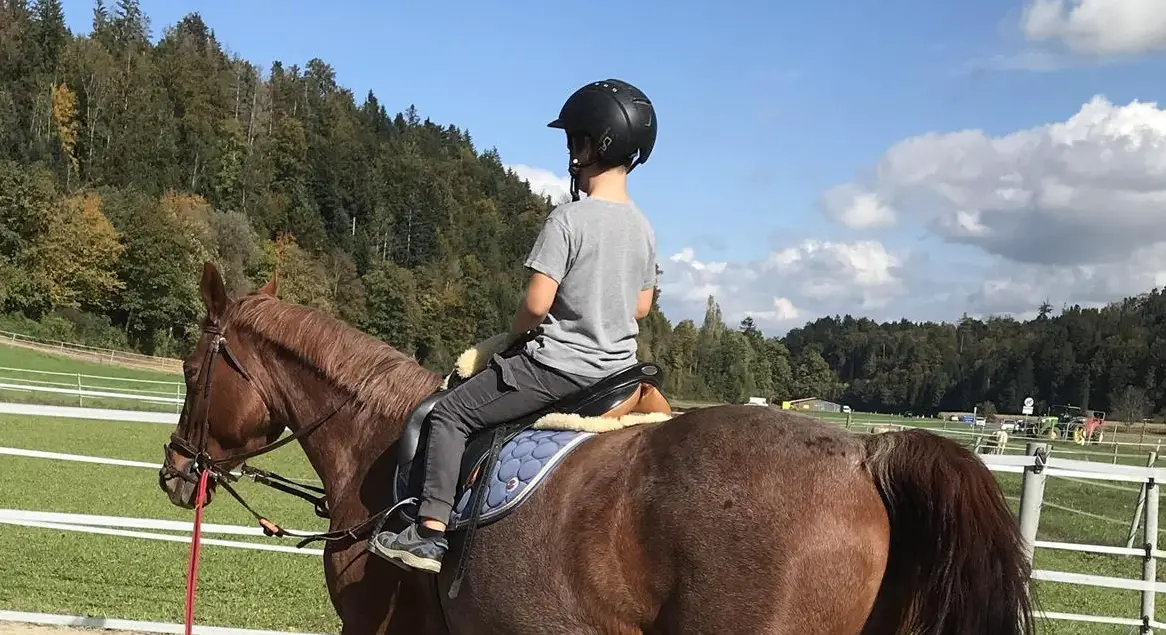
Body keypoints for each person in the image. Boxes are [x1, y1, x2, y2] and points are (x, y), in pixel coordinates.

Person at [367, 78, 660, 573]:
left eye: (574, 141)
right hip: (618, 371)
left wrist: (516, 334)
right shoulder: (643, 227)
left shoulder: (568, 220)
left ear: (591, 144)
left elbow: (537, 305)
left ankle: (429, 532)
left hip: (559, 367)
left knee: (450, 414)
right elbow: (642, 307)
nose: (572, 152)